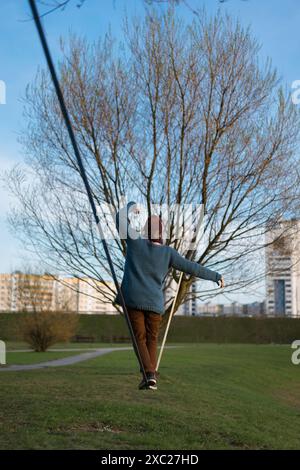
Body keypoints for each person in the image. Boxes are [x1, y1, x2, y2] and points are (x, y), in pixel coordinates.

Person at [114, 201, 224, 390]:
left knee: (139, 338)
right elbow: (193, 267)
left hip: (133, 300)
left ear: (146, 230)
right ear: (161, 233)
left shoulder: (134, 242)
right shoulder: (168, 253)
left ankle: (149, 374)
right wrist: (215, 276)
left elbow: (119, 219)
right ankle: (151, 377)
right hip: (155, 304)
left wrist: (132, 206)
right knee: (151, 339)